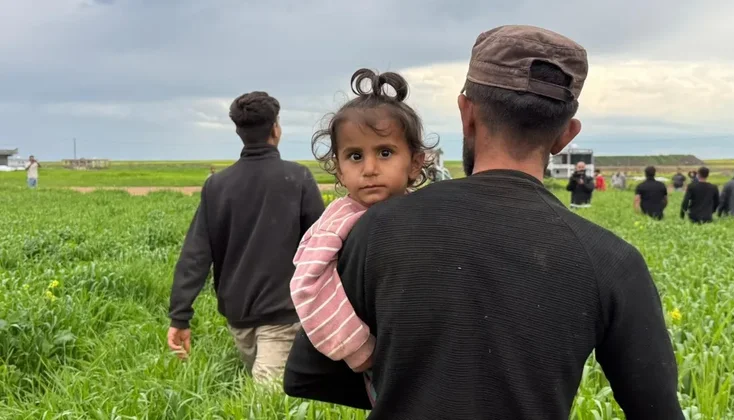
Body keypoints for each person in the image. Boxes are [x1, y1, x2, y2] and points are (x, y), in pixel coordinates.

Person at [284, 25, 682, 419]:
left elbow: (306, 375)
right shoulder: (612, 260)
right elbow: (657, 409)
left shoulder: (373, 228)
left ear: (466, 113)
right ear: (566, 136)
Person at [290, 68, 431, 403]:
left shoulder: (425, 211)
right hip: (378, 359)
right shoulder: (339, 221)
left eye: (385, 153)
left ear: (415, 162)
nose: (369, 168)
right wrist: (360, 351)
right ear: (339, 169)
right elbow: (308, 286)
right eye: (355, 156)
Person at [167, 91, 325, 384]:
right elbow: (324, 247)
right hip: (284, 309)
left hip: (243, 316)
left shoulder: (217, 185)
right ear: (275, 129)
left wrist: (180, 316)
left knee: (266, 399)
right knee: (270, 403)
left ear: (239, 132)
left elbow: (196, 255)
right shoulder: (298, 178)